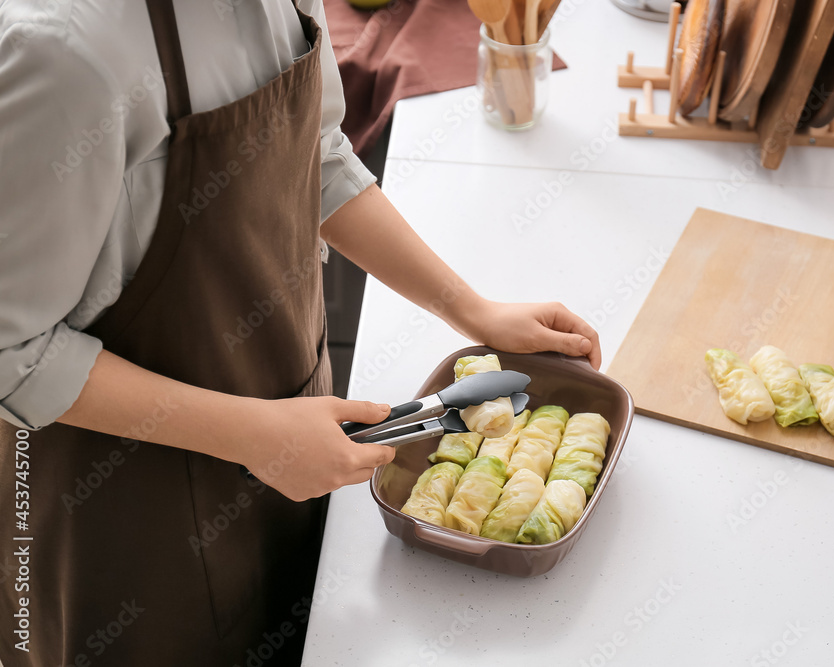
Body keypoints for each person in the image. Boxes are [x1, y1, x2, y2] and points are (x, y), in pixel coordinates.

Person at [0, 1, 600, 665]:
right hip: (126, 519)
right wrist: (253, 433)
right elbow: (13, 353)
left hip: (292, 440)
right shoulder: (64, 53)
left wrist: (473, 311)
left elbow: (318, 155)